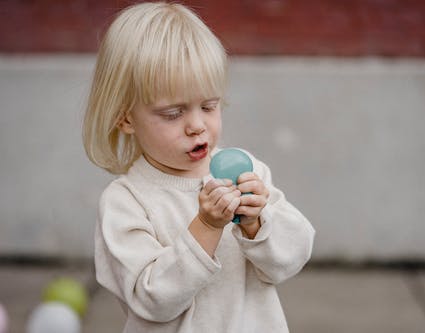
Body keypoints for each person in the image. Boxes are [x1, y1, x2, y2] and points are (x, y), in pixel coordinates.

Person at [82, 2, 315, 332]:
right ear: (126, 117)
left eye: (209, 105)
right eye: (174, 113)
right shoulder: (127, 202)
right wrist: (206, 226)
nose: (197, 126)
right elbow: (151, 300)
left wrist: (257, 222)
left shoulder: (249, 174)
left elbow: (291, 259)